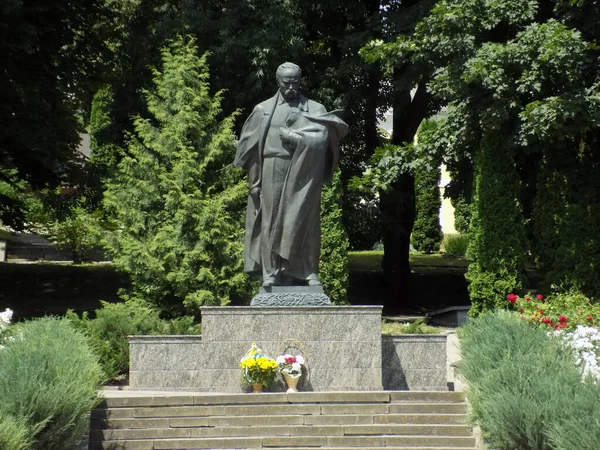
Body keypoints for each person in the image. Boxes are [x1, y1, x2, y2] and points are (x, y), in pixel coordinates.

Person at [234, 62, 348, 287]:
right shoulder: (263, 109)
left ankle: (307, 271)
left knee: (307, 221)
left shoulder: (315, 109)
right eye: (287, 83)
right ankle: (271, 273)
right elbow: (252, 151)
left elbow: (327, 140)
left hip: (304, 171)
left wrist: (297, 140)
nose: (291, 87)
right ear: (278, 81)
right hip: (272, 167)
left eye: (295, 82)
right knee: (271, 219)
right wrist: (254, 182)